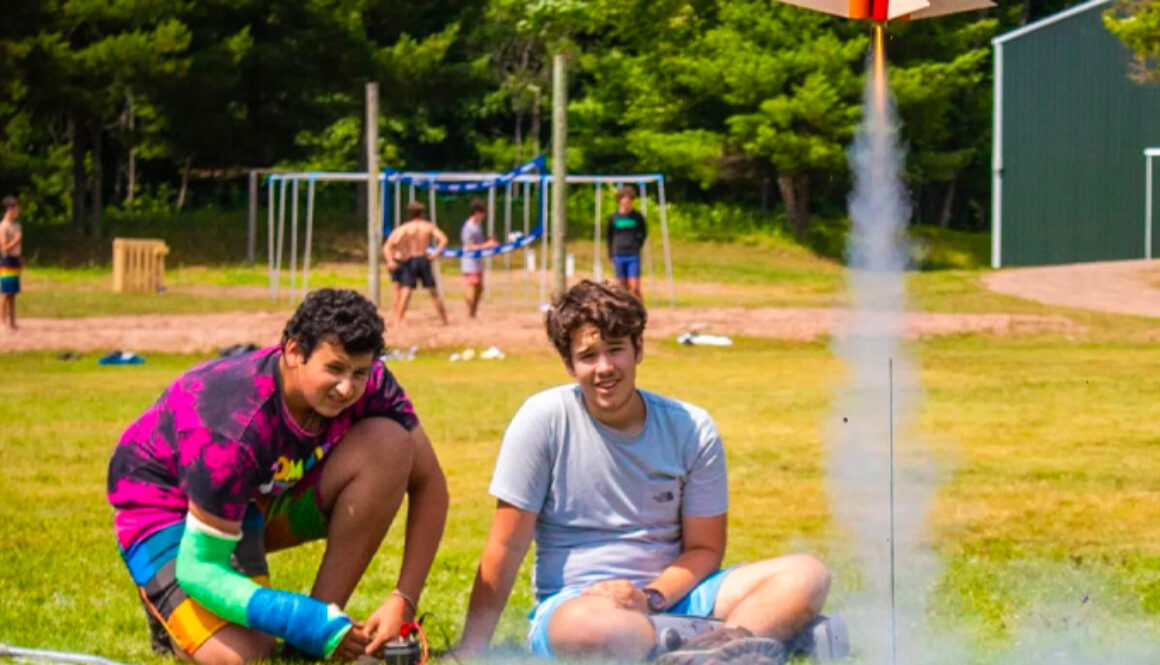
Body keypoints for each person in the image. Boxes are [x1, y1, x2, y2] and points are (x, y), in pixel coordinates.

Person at [457, 280, 833, 665]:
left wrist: (651, 598)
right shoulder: (542, 421)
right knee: (591, 628)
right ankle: (743, 639)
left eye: (616, 350)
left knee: (806, 574)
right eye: (588, 356)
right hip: (580, 603)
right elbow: (505, 547)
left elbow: (705, 549)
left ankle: (700, 648)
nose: (604, 368)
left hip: (677, 596)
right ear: (570, 364)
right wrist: (472, 649)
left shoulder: (691, 427)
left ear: (638, 349)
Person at [107, 288, 449, 665]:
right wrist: (300, 618)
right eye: (334, 369)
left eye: (359, 373)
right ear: (293, 351)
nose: (347, 388)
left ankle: (312, 641)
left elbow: (430, 483)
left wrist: (404, 599)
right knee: (244, 657)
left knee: (390, 444)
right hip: (167, 509)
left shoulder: (373, 382)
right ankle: (167, 603)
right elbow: (199, 567)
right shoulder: (230, 426)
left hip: (248, 500)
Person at [383, 201, 449, 324]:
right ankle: (444, 319)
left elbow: (390, 244)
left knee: (406, 290)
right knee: (433, 290)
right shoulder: (428, 226)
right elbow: (444, 240)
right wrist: (435, 254)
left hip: (411, 259)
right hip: (423, 258)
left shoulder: (405, 228)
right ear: (422, 213)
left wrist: (391, 259)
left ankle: (398, 319)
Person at [459, 197, 498, 319]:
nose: (484, 215)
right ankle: (468, 314)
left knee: (479, 288)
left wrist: (489, 242)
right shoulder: (468, 227)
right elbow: (469, 246)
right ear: (476, 212)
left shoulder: (477, 226)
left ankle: (473, 313)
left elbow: (478, 244)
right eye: (482, 213)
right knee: (472, 287)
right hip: (470, 262)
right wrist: (487, 245)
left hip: (477, 261)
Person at [607, 186, 647, 301]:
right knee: (621, 287)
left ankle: (640, 309)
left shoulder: (637, 217)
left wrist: (637, 244)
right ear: (620, 201)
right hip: (619, 253)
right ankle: (625, 311)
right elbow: (609, 236)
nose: (627, 203)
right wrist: (610, 253)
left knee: (634, 287)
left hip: (633, 254)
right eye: (624, 200)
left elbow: (643, 233)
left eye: (629, 201)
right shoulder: (614, 218)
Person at [1, 195, 23, 331]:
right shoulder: (4, 226)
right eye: (16, 208)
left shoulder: (16, 225)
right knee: (5, 292)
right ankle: (2, 321)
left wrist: (20, 259)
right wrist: (16, 240)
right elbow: (4, 247)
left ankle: (13, 321)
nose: (18, 211)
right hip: (7, 260)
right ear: (10, 209)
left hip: (15, 260)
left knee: (13, 293)